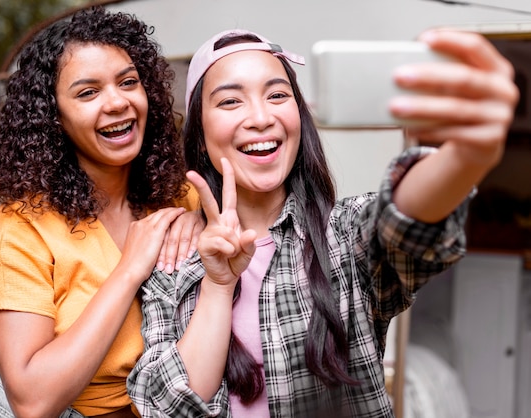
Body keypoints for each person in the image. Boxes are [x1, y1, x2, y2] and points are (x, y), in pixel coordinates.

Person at [126, 28, 518, 417]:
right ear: (200, 131)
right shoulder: (172, 258)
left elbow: (407, 222)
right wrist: (217, 283)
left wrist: (468, 155)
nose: (261, 117)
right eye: (230, 101)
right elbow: (170, 408)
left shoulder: (344, 235)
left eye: (278, 95)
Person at [0, 6, 201, 418]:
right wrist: (130, 269)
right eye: (88, 92)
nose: (117, 102)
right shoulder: (19, 228)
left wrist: (200, 220)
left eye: (128, 82)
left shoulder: (181, 197)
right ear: (54, 118)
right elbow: (33, 401)